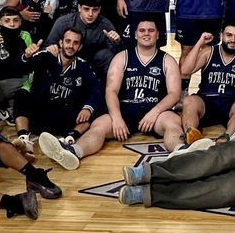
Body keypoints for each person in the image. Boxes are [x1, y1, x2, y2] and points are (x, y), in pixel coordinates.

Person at [39, 17, 183, 169]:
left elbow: (174, 93)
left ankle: (182, 151)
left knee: (172, 121)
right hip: (125, 110)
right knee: (99, 125)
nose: (146, 34)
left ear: (158, 35)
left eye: (151, 31)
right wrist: (116, 117)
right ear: (135, 35)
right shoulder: (122, 58)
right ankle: (73, 152)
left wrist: (155, 112)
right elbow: (111, 90)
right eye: (142, 30)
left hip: (155, 113)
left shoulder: (167, 60)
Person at [11, 27, 104, 160]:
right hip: (40, 114)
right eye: (68, 41)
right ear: (61, 42)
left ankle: (68, 142)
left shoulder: (83, 66)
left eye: (75, 43)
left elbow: (97, 88)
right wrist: (26, 56)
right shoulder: (45, 56)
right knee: (22, 95)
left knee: (94, 108)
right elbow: (18, 68)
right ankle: (24, 141)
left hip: (64, 119)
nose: (71, 46)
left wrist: (88, 108)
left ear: (80, 47)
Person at [180, 22, 235, 144]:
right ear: (221, 36)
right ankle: (191, 135)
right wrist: (199, 43)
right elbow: (185, 71)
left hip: (233, 103)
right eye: (229, 35)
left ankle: (227, 137)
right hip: (207, 100)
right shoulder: (209, 52)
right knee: (189, 101)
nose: (232, 40)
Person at [46, 0, 122, 80]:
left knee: (106, 55)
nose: (90, 14)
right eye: (86, 9)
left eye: (95, 10)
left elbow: (118, 56)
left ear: (100, 10)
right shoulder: (63, 23)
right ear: (79, 8)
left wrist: (117, 42)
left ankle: (107, 87)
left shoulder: (106, 25)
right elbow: (47, 46)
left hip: (93, 65)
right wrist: (52, 49)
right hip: (67, 62)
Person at [0, 6, 33, 122]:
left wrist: (27, 87)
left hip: (16, 83)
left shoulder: (25, 36)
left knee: (23, 114)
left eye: (15, 20)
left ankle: (6, 108)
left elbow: (32, 65)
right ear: (0, 21)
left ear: (21, 21)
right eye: (7, 21)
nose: (12, 24)